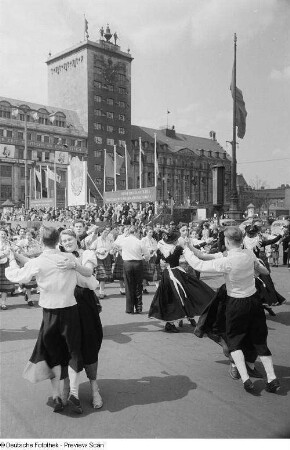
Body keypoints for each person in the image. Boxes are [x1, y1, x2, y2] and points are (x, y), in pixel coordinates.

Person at [5, 226, 98, 413]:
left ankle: (56, 395)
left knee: (53, 353)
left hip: (50, 313)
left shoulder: (39, 262)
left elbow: (17, 276)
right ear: (58, 241)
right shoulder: (69, 259)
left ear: (41, 241)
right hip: (70, 310)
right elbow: (88, 278)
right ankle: (73, 392)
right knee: (73, 351)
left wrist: (11, 260)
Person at [183, 226, 280, 394]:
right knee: (259, 338)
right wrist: (259, 270)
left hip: (236, 302)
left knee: (234, 340)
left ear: (227, 241)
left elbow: (198, 265)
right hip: (254, 301)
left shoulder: (227, 261)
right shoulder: (248, 253)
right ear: (241, 240)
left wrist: (185, 250)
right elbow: (261, 268)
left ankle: (246, 379)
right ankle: (271, 378)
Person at [59, 229, 103, 409]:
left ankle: (94, 389)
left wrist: (74, 265)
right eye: (64, 240)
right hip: (64, 303)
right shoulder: (58, 256)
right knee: (65, 345)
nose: (67, 242)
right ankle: (67, 389)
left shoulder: (87, 254)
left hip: (84, 302)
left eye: (70, 239)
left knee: (89, 343)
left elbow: (89, 272)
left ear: (77, 239)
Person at [148, 229, 214, 333]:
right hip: (174, 274)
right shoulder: (177, 248)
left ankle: (179, 319)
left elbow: (155, 261)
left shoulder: (161, 248)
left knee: (173, 297)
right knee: (181, 295)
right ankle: (172, 323)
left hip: (168, 274)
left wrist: (161, 263)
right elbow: (192, 250)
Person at [116, 225, 150, 314]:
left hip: (127, 263)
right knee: (138, 285)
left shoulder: (123, 240)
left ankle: (129, 308)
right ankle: (138, 307)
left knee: (128, 285)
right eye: (138, 232)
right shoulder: (139, 242)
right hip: (138, 263)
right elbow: (147, 255)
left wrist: (121, 252)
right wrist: (145, 258)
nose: (139, 234)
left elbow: (114, 246)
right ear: (135, 232)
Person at [90, 226, 114, 299]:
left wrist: (111, 251)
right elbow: (91, 248)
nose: (106, 233)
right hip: (99, 259)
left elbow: (110, 249)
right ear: (101, 233)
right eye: (105, 232)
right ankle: (101, 292)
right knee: (102, 275)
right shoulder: (97, 240)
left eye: (107, 232)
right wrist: (99, 250)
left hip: (107, 258)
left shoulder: (108, 240)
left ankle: (101, 291)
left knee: (105, 275)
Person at [0, 228, 15, 310]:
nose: (3, 235)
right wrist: (3, 254)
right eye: (1, 234)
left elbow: (13, 253)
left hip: (5, 264)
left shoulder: (9, 243)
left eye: (4, 234)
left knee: (4, 286)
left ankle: (3, 303)